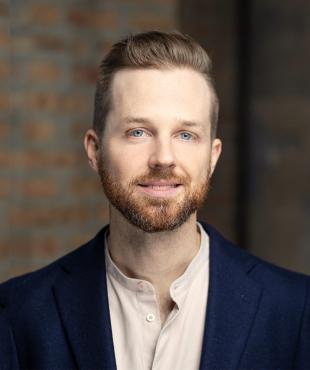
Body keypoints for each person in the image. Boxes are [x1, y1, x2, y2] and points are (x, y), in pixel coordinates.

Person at [0, 31, 309, 370]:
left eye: (186, 135)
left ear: (212, 156)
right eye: (138, 132)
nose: (163, 158)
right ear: (95, 149)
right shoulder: (18, 315)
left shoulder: (297, 311)